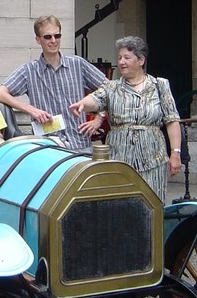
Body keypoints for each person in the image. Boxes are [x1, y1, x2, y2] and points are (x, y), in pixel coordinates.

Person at [69, 35, 182, 203]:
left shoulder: (160, 86)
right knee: (121, 206)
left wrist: (176, 153)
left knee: (152, 205)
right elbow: (95, 99)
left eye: (127, 58)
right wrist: (82, 104)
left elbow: (172, 120)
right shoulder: (111, 87)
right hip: (120, 160)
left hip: (153, 159)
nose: (121, 62)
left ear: (141, 60)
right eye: (120, 57)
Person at [0, 15, 109, 149]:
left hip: (80, 144)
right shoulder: (29, 71)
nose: (53, 40)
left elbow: (110, 89)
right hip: (48, 148)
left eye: (57, 36)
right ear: (38, 40)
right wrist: (32, 110)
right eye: (48, 37)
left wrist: (99, 119)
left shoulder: (78, 64)